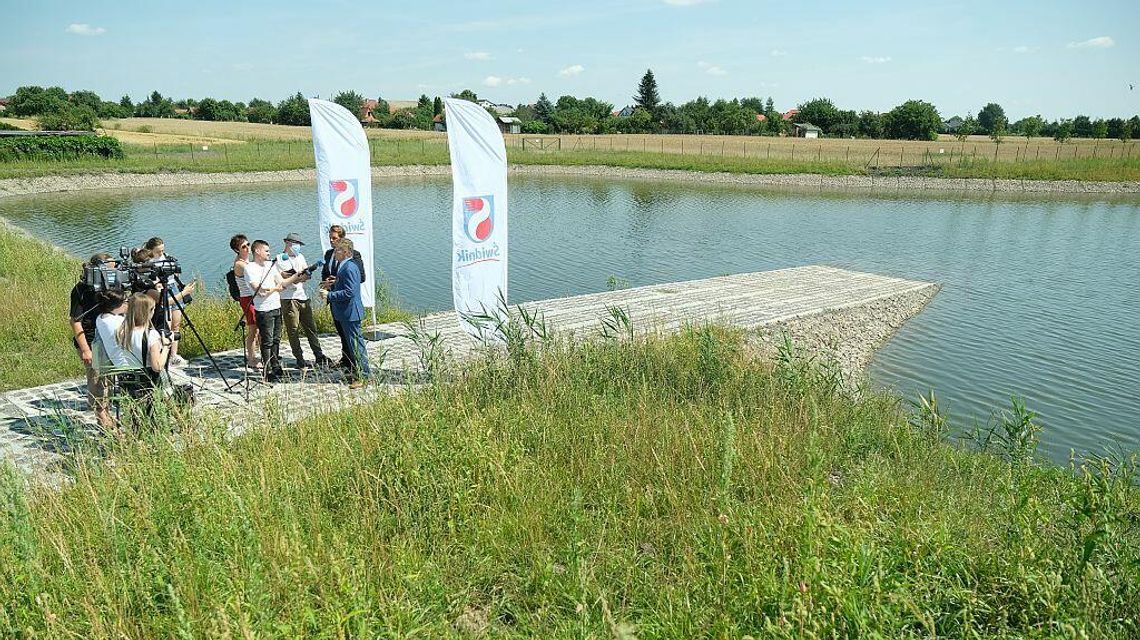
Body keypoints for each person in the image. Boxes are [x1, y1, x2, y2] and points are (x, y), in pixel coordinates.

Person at [244, 239, 310, 383]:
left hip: (276, 307)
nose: (269, 253)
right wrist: (275, 289)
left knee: (276, 339)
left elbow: (283, 283)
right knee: (267, 341)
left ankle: (275, 366)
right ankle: (267, 370)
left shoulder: (271, 265)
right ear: (257, 251)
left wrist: (297, 275)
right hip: (263, 310)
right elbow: (260, 291)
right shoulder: (250, 268)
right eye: (266, 251)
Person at [69, 253, 116, 429]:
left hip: (110, 340)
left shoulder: (112, 286)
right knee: (97, 381)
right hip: (90, 339)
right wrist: (85, 349)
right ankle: (103, 421)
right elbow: (75, 321)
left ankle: (106, 413)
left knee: (108, 380)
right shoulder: (81, 290)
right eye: (109, 271)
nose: (112, 275)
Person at [320, 238, 369, 389]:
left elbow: (350, 292)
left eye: (338, 250)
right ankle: (357, 372)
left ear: (346, 252)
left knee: (356, 346)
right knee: (352, 345)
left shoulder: (349, 267)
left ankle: (363, 376)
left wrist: (329, 295)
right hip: (345, 312)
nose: (335, 253)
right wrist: (333, 283)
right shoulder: (344, 266)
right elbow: (345, 285)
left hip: (350, 312)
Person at [279, 232, 331, 369]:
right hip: (289, 299)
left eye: (299, 244)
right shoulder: (280, 259)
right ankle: (299, 358)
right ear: (287, 243)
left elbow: (306, 276)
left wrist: (308, 271)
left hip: (302, 297)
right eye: (296, 244)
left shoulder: (300, 256)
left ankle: (319, 355)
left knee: (311, 328)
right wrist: (299, 276)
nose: (298, 247)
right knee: (293, 330)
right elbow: (291, 279)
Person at [144, 237, 196, 366]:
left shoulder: (168, 258)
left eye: (162, 250)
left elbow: (176, 274)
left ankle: (174, 355)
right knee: (165, 327)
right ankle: (163, 356)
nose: (161, 253)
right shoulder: (148, 263)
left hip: (173, 287)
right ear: (151, 251)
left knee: (176, 325)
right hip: (160, 290)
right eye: (158, 251)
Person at [230, 234, 260, 368]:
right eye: (244, 246)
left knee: (260, 328)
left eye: (248, 244)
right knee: (253, 329)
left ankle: (264, 353)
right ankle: (251, 358)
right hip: (248, 298)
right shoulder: (240, 264)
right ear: (237, 250)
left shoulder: (248, 261)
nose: (248, 248)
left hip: (256, 297)